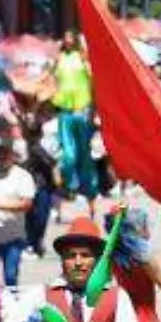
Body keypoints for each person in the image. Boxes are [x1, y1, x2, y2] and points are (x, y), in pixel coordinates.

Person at [0, 139, 38, 288]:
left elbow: (27, 204)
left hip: (13, 237)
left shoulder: (23, 177)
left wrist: (1, 206)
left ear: (13, 156)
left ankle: (12, 304)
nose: (2, 157)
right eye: (0, 153)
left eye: (6, 153)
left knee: (10, 276)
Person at [52, 30, 99, 213]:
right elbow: (50, 80)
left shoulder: (83, 58)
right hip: (65, 111)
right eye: (66, 38)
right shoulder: (60, 58)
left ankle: (90, 193)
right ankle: (70, 186)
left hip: (83, 110)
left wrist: (95, 109)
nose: (67, 40)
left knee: (85, 156)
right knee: (69, 155)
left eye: (71, 38)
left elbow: (94, 84)